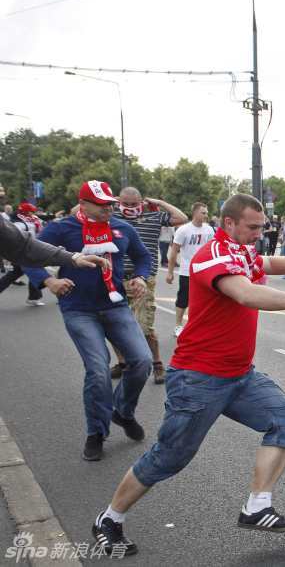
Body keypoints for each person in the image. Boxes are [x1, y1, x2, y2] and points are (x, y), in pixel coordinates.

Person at [89, 194, 285, 557]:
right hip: (198, 378)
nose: (259, 232)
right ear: (229, 223)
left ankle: (257, 506)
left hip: (239, 376)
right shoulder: (214, 255)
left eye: (261, 226)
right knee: (168, 458)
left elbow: (268, 261)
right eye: (252, 227)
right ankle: (109, 519)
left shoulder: (242, 250)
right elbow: (247, 294)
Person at [23, 181, 152, 462]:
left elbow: (143, 256)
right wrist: (49, 280)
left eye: (110, 203)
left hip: (115, 305)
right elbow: (27, 254)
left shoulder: (123, 228)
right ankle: (96, 432)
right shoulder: (62, 228)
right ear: (83, 205)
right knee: (98, 370)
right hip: (79, 309)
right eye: (102, 204)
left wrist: (140, 277)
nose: (109, 208)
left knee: (142, 362)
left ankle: (122, 412)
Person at [111, 187, 188, 384]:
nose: (129, 208)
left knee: (145, 326)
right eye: (125, 204)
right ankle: (122, 363)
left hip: (144, 278)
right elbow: (78, 211)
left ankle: (157, 363)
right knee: (114, 325)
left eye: (134, 204)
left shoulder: (154, 217)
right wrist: (108, 199)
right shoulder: (111, 215)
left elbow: (181, 218)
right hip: (115, 278)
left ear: (141, 203)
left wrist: (160, 202)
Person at [166, 203, 215, 337]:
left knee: (203, 300)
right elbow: (174, 251)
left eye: (206, 213)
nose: (206, 215)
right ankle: (178, 325)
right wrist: (170, 272)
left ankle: (198, 326)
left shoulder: (209, 230)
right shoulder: (183, 230)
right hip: (187, 271)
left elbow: (212, 249)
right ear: (194, 213)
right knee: (183, 299)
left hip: (204, 271)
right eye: (203, 213)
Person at [0, 213, 110, 270]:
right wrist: (48, 280)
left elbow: (24, 246)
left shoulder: (118, 226)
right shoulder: (61, 226)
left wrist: (73, 258)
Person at [0, 202, 46, 305]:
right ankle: (34, 297)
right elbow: (16, 238)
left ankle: (34, 297)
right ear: (24, 211)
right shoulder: (18, 222)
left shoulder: (31, 219)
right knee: (36, 272)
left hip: (30, 250)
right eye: (30, 211)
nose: (32, 213)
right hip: (22, 251)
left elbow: (42, 224)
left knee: (14, 275)